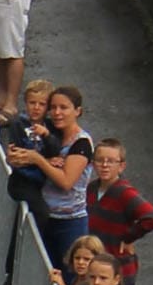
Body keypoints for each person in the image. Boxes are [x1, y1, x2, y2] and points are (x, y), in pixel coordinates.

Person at [5, 81, 91, 269]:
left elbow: (66, 181)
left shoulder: (81, 143)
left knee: (69, 272)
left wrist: (37, 160)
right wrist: (17, 158)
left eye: (64, 108)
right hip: (48, 211)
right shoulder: (51, 130)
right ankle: (11, 272)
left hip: (69, 221)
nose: (57, 112)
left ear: (78, 111)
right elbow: (21, 152)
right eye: (54, 107)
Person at [85, 137, 153, 285]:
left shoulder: (125, 193)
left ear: (121, 166)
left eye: (111, 161)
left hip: (120, 269)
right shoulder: (91, 188)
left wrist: (129, 237)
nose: (105, 165)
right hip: (98, 268)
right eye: (100, 160)